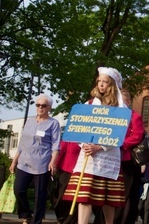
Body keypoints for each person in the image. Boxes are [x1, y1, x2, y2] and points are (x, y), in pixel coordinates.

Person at [63, 67, 127, 224]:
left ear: (111, 84)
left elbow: (118, 133)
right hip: (89, 157)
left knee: (108, 198)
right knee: (84, 196)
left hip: (108, 156)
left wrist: (100, 147)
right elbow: (79, 127)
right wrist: (84, 145)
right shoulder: (89, 104)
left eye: (105, 82)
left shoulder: (120, 108)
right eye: (99, 81)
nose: (101, 85)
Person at [9, 94, 61, 224]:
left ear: (49, 107)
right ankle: (26, 214)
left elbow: (56, 145)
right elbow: (22, 142)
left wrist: (52, 162)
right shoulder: (29, 121)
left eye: (43, 106)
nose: (40, 108)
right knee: (19, 189)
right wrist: (14, 160)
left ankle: (36, 221)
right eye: (38, 105)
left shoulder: (53, 123)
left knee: (40, 196)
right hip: (24, 162)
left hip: (42, 163)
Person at [113, 89, 145, 224]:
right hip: (113, 160)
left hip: (129, 160)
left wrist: (120, 144)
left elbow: (138, 136)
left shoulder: (134, 116)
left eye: (123, 100)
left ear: (129, 101)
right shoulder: (113, 116)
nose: (120, 102)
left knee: (127, 195)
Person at [54, 140, 81, 224]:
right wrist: (55, 164)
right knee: (60, 196)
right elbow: (61, 150)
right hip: (66, 169)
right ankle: (61, 218)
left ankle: (71, 221)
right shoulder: (70, 135)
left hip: (80, 171)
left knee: (75, 199)